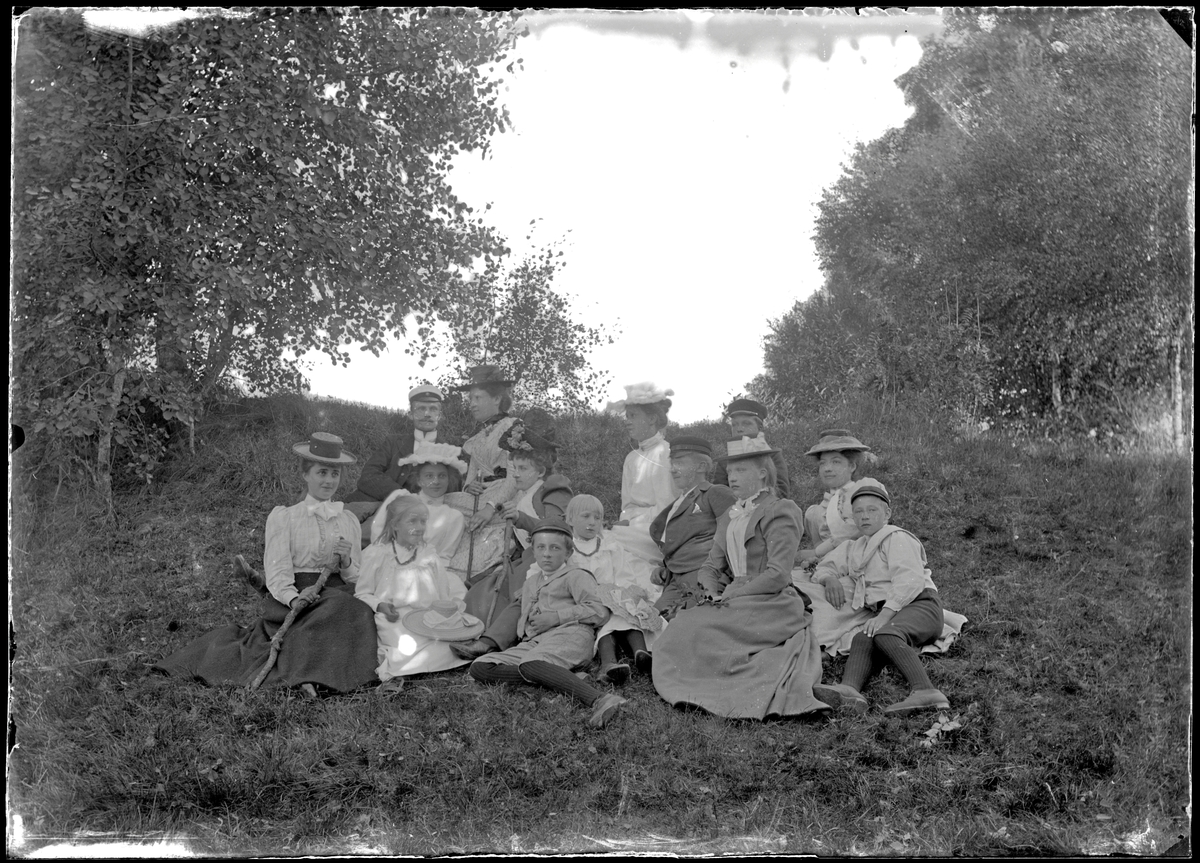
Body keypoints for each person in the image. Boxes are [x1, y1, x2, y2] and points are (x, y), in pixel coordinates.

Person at [153, 433, 378, 695]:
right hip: (296, 595)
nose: (329, 481)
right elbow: (278, 572)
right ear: (305, 474)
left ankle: (328, 673)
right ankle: (308, 676)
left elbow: (355, 577)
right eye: (322, 473)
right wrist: (295, 599)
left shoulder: (348, 520)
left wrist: (347, 560)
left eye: (334, 474)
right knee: (337, 609)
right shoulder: (285, 518)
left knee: (360, 607)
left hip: (338, 591)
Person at [651, 437, 830, 720]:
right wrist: (712, 594)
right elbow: (710, 567)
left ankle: (719, 689)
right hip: (733, 596)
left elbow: (777, 574)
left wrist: (733, 596)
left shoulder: (780, 510)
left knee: (696, 628)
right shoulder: (731, 515)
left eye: (741, 470)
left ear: (762, 473)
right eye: (731, 471)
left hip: (772, 600)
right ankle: (700, 678)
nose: (732, 477)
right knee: (685, 622)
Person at [466, 520, 626, 728]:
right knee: (481, 667)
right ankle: (560, 678)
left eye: (555, 548)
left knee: (532, 663)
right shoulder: (531, 583)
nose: (547, 554)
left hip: (570, 634)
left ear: (568, 553)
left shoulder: (576, 575)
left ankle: (600, 699)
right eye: (541, 547)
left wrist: (556, 617)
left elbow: (599, 611)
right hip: (536, 643)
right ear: (534, 551)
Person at [810, 481, 950, 715]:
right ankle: (849, 690)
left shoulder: (896, 537)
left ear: (887, 514)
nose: (864, 516)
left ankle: (926, 691)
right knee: (863, 638)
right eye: (858, 511)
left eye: (872, 510)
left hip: (920, 605)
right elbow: (825, 566)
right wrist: (829, 579)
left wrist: (884, 616)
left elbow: (909, 581)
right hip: (893, 612)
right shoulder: (855, 547)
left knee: (884, 632)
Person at [452, 416, 571, 657]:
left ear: (541, 470)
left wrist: (520, 519)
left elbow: (557, 530)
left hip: (552, 558)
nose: (515, 475)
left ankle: (490, 642)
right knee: (483, 586)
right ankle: (470, 633)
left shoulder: (552, 488)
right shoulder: (524, 493)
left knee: (518, 591)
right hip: (530, 557)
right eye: (514, 468)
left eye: (523, 469)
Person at [355, 494, 472, 683]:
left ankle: (417, 663)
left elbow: (443, 593)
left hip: (426, 618)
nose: (419, 527)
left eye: (423, 521)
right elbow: (362, 593)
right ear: (395, 524)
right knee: (406, 645)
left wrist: (445, 617)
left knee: (449, 643)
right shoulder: (378, 554)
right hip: (396, 619)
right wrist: (380, 605)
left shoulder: (429, 555)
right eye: (412, 521)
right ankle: (405, 665)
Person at [567, 494, 665, 684]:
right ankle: (608, 663)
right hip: (588, 601)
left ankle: (641, 652)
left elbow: (623, 571)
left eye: (597, 518)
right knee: (605, 622)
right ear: (570, 519)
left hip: (612, 594)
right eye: (586, 516)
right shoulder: (568, 549)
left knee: (626, 613)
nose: (592, 522)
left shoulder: (608, 544)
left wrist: (623, 594)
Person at [345, 386, 461, 529]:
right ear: (410, 414)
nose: (427, 414)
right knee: (354, 530)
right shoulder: (393, 442)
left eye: (433, 409)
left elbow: (454, 490)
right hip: (380, 504)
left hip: (423, 515)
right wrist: (401, 495)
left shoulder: (450, 450)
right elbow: (368, 476)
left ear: (440, 415)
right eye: (421, 409)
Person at [648, 436, 738, 619]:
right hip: (674, 581)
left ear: (701, 467)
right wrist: (665, 567)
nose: (673, 469)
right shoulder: (676, 504)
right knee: (653, 623)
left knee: (686, 624)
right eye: (672, 463)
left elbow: (735, 535)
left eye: (680, 462)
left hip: (703, 577)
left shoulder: (715, 492)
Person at [603, 382, 677, 570]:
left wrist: (632, 521)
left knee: (610, 540)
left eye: (634, 416)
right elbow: (626, 506)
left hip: (659, 530)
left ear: (652, 419)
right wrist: (626, 520)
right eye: (627, 416)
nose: (628, 421)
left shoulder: (665, 453)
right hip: (633, 528)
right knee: (600, 538)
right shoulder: (631, 458)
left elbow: (666, 507)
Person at [366, 442, 468, 566]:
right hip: (386, 563)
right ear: (419, 480)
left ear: (448, 480)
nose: (436, 481)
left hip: (426, 571)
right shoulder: (401, 498)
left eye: (442, 476)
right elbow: (379, 535)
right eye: (429, 476)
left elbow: (445, 557)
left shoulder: (454, 517)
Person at [797, 429, 873, 568]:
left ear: (852, 466)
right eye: (822, 463)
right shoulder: (820, 508)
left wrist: (815, 552)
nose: (827, 469)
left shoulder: (860, 495)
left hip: (860, 562)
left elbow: (849, 533)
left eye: (836, 462)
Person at [711, 398, 791, 499]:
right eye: (734, 425)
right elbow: (718, 496)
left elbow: (782, 493)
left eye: (746, 423)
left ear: (760, 427)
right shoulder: (724, 461)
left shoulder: (772, 456)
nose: (739, 429)